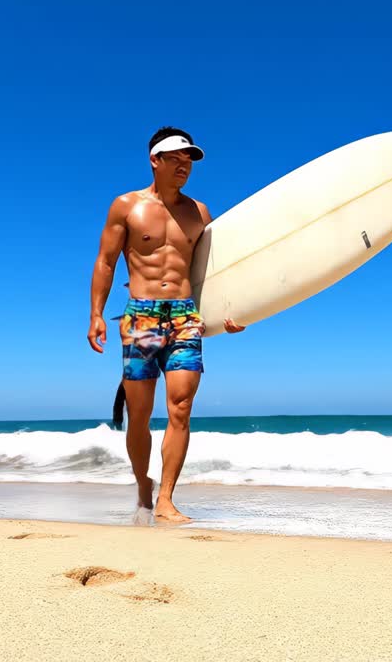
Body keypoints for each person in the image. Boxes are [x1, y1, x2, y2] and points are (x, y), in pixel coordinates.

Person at [87, 126, 246, 524]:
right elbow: (106, 262)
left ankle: (166, 499)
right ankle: (144, 484)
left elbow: (213, 271)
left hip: (184, 317)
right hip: (140, 314)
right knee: (139, 416)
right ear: (154, 160)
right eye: (175, 159)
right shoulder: (126, 206)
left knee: (181, 409)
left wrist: (233, 311)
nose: (184, 167)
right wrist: (96, 314)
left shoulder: (200, 213)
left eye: (189, 160)